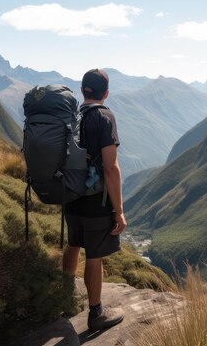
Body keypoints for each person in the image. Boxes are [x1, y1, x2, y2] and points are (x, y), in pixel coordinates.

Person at [62, 68, 127, 332]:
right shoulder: (104, 116)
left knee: (73, 243)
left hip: (69, 194)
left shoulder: (70, 116)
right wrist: (119, 210)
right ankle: (96, 314)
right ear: (106, 93)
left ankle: (63, 297)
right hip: (95, 200)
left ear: (82, 90)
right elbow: (110, 167)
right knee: (95, 255)